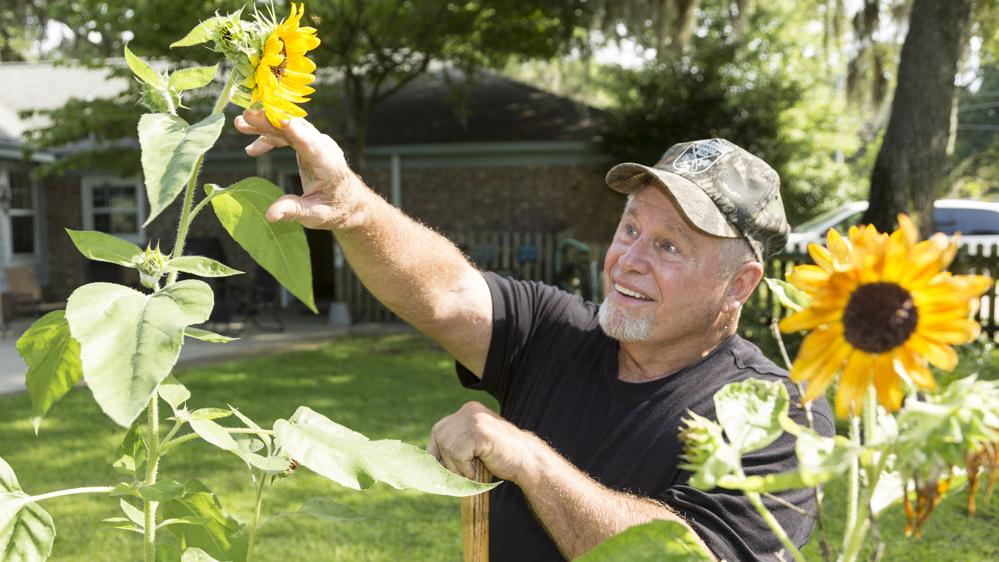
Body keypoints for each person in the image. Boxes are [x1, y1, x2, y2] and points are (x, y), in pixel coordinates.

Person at [235, 111, 835, 561]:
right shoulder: (559, 332)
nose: (628, 260)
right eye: (630, 229)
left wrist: (529, 460)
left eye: (669, 246)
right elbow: (445, 292)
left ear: (739, 284)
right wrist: (352, 208)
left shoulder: (776, 414)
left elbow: (694, 555)